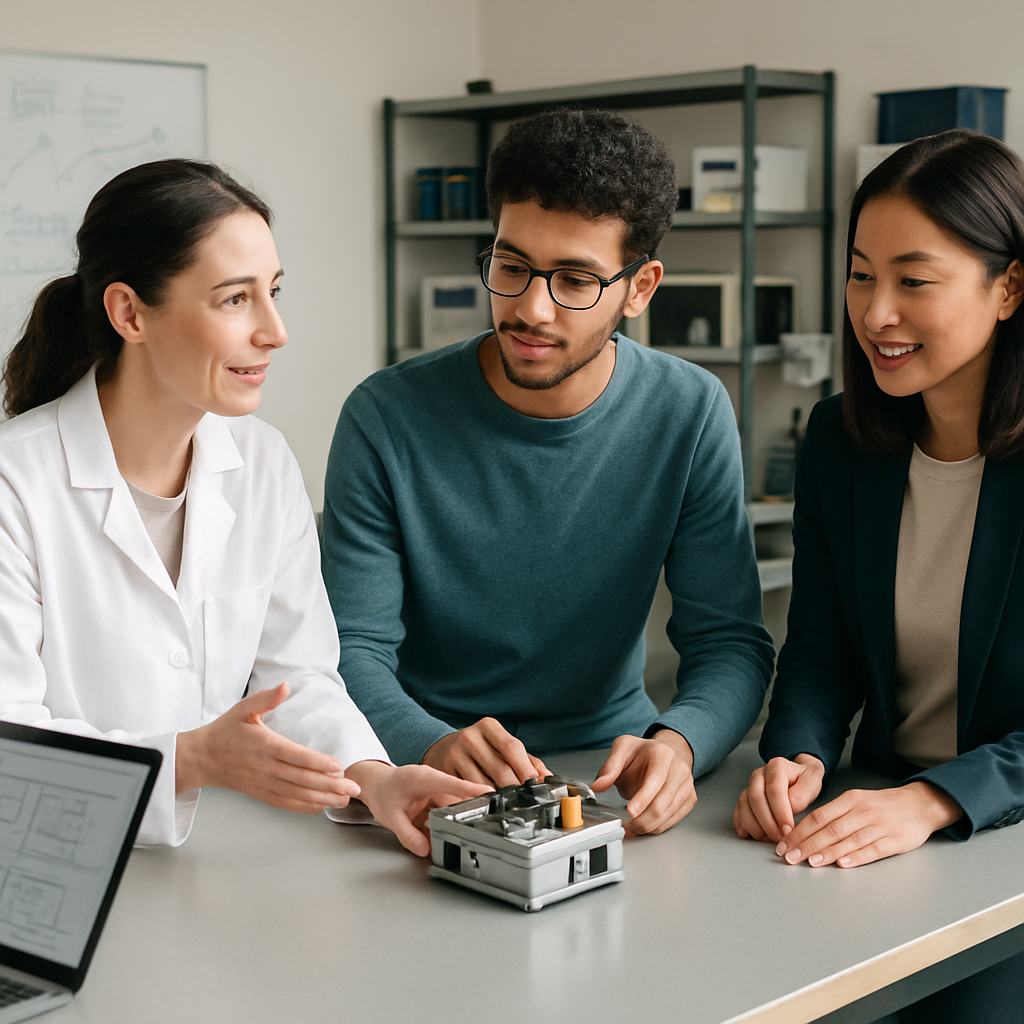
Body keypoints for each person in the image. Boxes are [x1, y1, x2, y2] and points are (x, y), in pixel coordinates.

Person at [0, 159, 489, 852]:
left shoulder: (260, 461)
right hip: (52, 866)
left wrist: (374, 778)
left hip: (213, 867)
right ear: (129, 313)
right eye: (235, 299)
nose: (275, 330)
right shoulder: (14, 483)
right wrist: (191, 760)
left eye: (274, 292)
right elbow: (8, 744)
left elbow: (297, 679)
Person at [322, 107, 775, 836]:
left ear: (641, 287)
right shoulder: (385, 416)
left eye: (575, 280)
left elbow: (729, 643)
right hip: (423, 772)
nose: (531, 309)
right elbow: (350, 649)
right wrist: (429, 740)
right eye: (511, 266)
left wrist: (681, 743)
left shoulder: (690, 410)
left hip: (607, 773)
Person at [733, 130, 1024, 1022]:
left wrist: (938, 799)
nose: (877, 312)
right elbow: (821, 648)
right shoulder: (839, 439)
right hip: (877, 822)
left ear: (1009, 286)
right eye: (862, 274)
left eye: (914, 279)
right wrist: (797, 755)